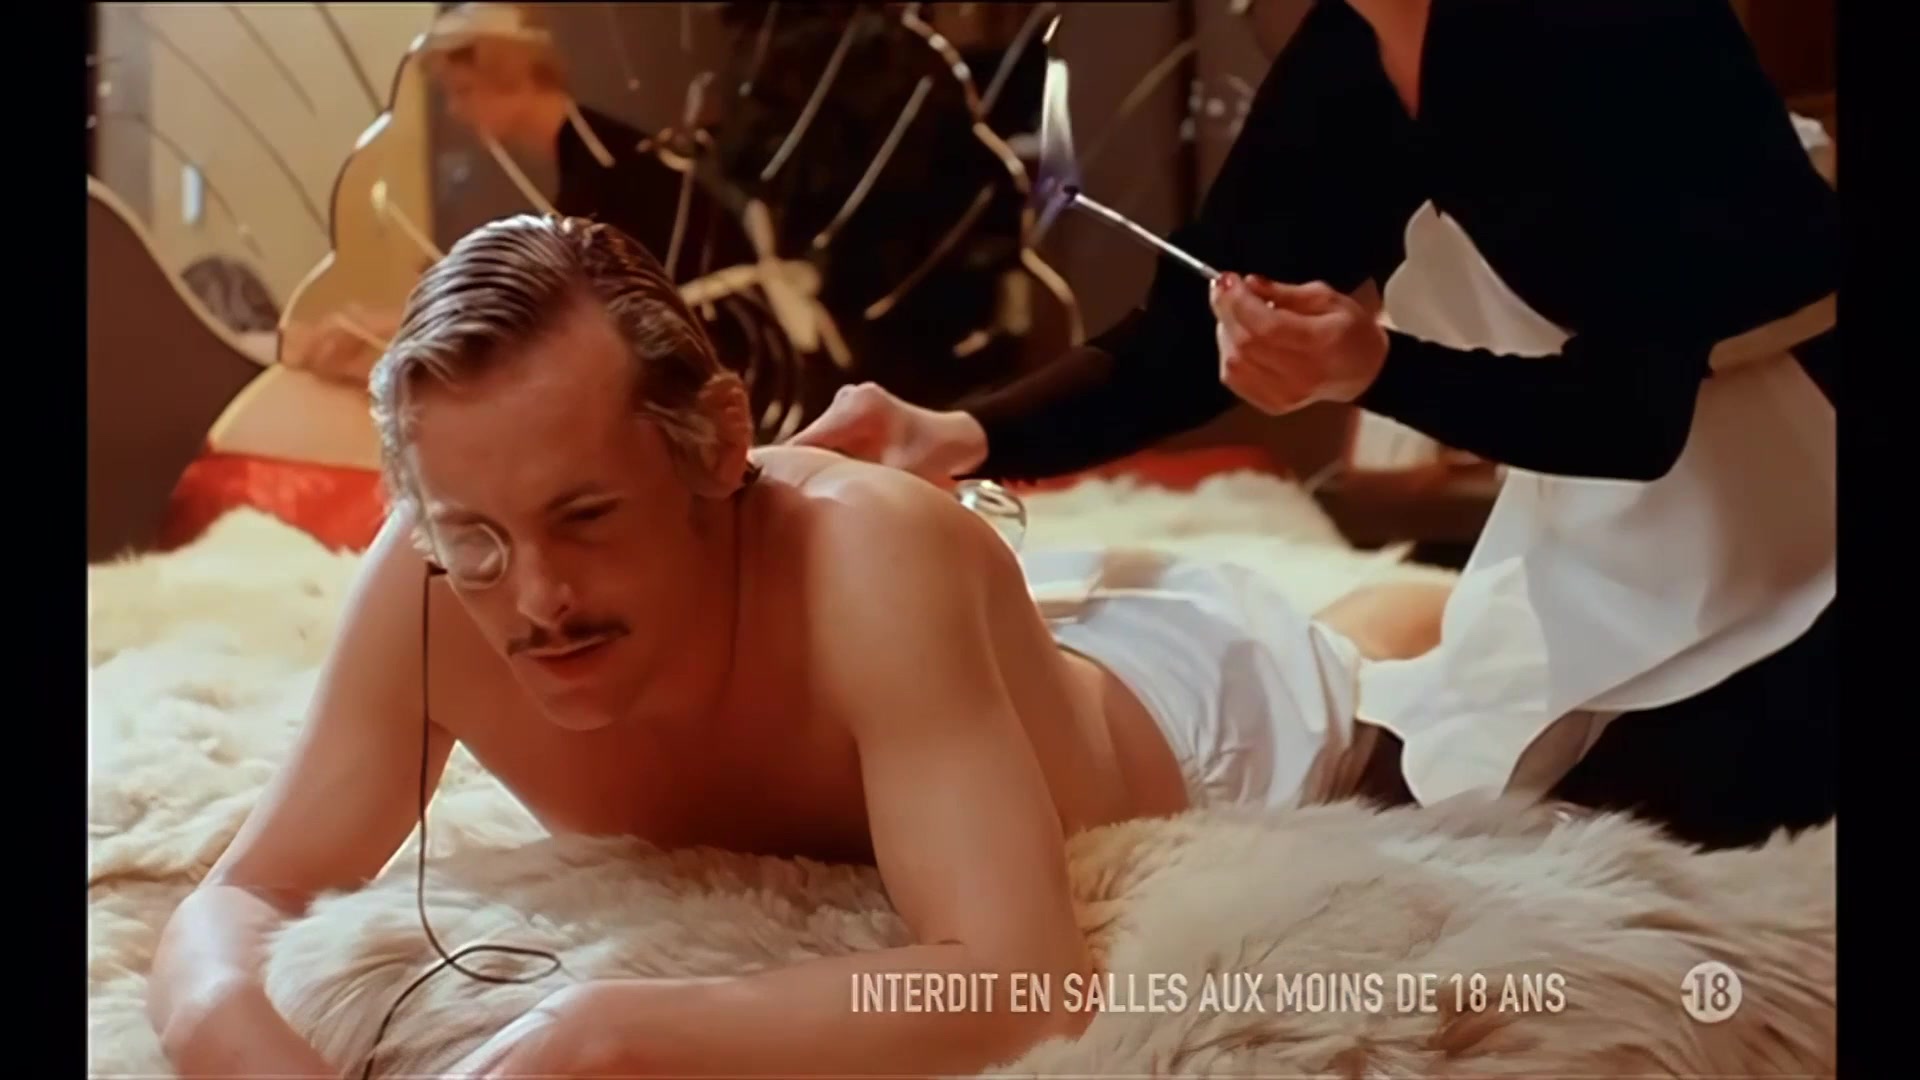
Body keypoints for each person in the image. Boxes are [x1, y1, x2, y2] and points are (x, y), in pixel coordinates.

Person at [145, 215, 1452, 1079]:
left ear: (720, 443)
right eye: (476, 536)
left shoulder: (869, 555)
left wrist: (612, 1032)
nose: (534, 599)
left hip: (1187, 707)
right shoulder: (430, 580)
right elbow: (238, 899)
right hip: (939, 668)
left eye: (585, 517)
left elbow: (1021, 987)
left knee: (1362, 639)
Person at [790, 0, 1838, 850]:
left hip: (1805, 544)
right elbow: (1181, 342)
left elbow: (1631, 418)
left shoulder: (1616, 29)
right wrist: (955, 434)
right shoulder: (1352, 59)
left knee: (1606, 869)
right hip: (1616, 552)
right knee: (1444, 812)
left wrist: (1372, 367)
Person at [285, 1, 756, 384]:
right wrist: (392, 325)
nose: (456, 111)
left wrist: (408, 333)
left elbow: (557, 317)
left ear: (511, 78)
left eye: (464, 91)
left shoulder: (610, 169)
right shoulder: (546, 166)